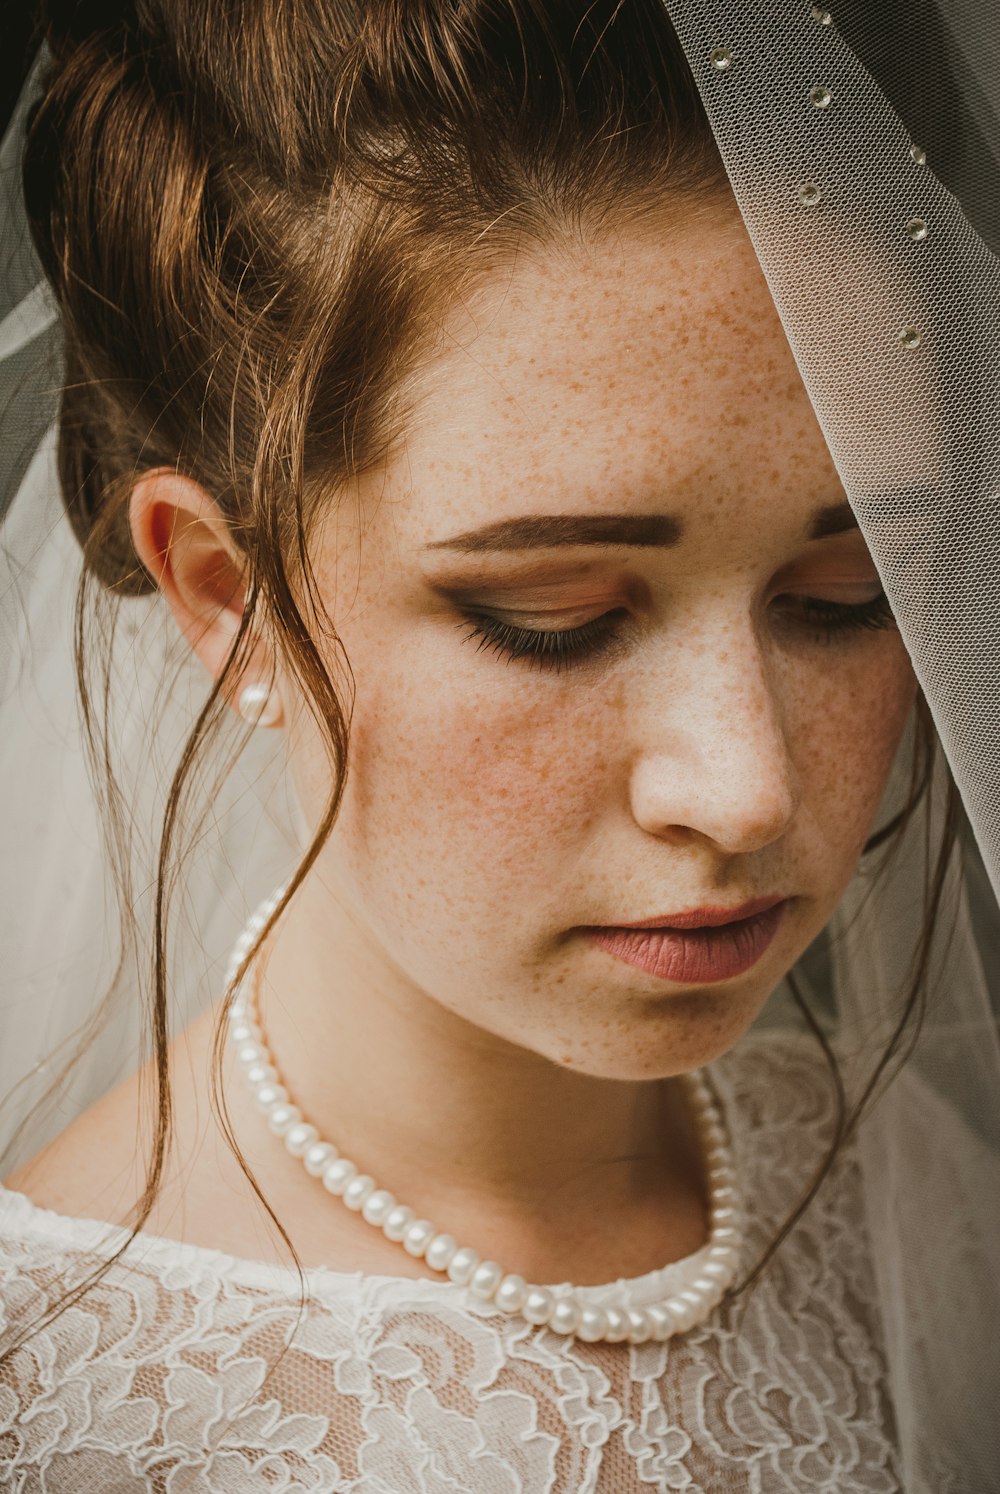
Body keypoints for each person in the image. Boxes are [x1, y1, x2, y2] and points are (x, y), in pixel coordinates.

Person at [1, 2, 998, 1490]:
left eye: (848, 598)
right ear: (233, 598)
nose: (748, 785)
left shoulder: (934, 1198)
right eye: (557, 615)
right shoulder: (62, 1405)